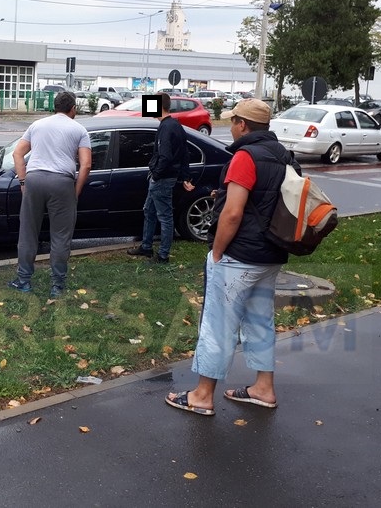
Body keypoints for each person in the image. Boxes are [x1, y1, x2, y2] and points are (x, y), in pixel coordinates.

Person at [165, 98, 298, 417]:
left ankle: (202, 395)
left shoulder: (245, 156)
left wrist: (217, 251)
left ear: (243, 125)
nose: (230, 125)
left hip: (239, 256)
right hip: (271, 254)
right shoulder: (284, 155)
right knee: (260, 321)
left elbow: (233, 213)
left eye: (233, 120)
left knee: (217, 325)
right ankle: (263, 388)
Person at [8, 91, 92, 298]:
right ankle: (57, 286)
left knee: (28, 233)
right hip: (62, 182)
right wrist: (75, 191)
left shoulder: (37, 125)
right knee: (61, 237)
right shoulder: (79, 129)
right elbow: (86, 165)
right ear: (73, 108)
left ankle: (24, 280)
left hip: (34, 180)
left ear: (54, 107)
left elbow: (17, 153)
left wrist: (22, 181)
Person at [127, 93, 194, 263]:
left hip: (162, 179)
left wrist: (156, 175)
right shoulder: (175, 125)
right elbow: (184, 153)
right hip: (163, 177)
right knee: (149, 210)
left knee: (164, 216)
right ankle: (146, 247)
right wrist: (185, 177)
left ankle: (163, 255)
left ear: (158, 106)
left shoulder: (167, 127)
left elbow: (165, 156)